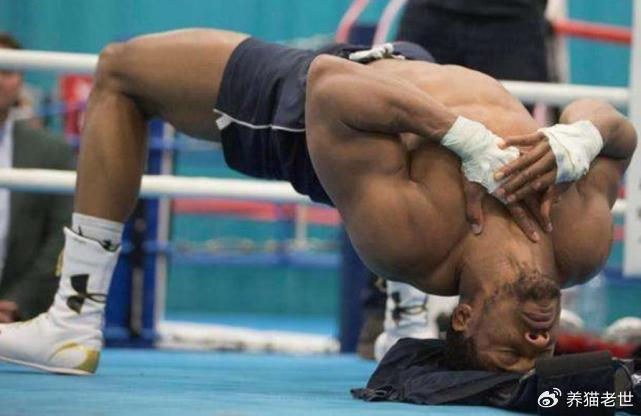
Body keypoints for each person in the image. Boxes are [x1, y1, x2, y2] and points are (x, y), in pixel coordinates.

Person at [0, 29, 635, 375]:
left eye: (508, 354)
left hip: (325, 112)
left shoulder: (413, 242)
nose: (534, 346)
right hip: (410, 65)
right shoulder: (578, 247)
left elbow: (331, 87)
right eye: (537, 355)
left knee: (119, 71)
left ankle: (73, 318)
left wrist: (462, 137)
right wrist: (576, 137)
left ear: (463, 318)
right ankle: (404, 326)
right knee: (414, 147)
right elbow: (618, 129)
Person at [369, 0, 553, 361]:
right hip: (433, 11)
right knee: (396, 148)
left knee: (510, 161)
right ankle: (391, 306)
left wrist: (584, 140)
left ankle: (499, 313)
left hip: (515, 19)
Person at [0, 33, 73, 324]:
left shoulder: (52, 152)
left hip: (19, 318)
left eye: (6, 71)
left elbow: (61, 234)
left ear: (21, 81)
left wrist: (16, 303)